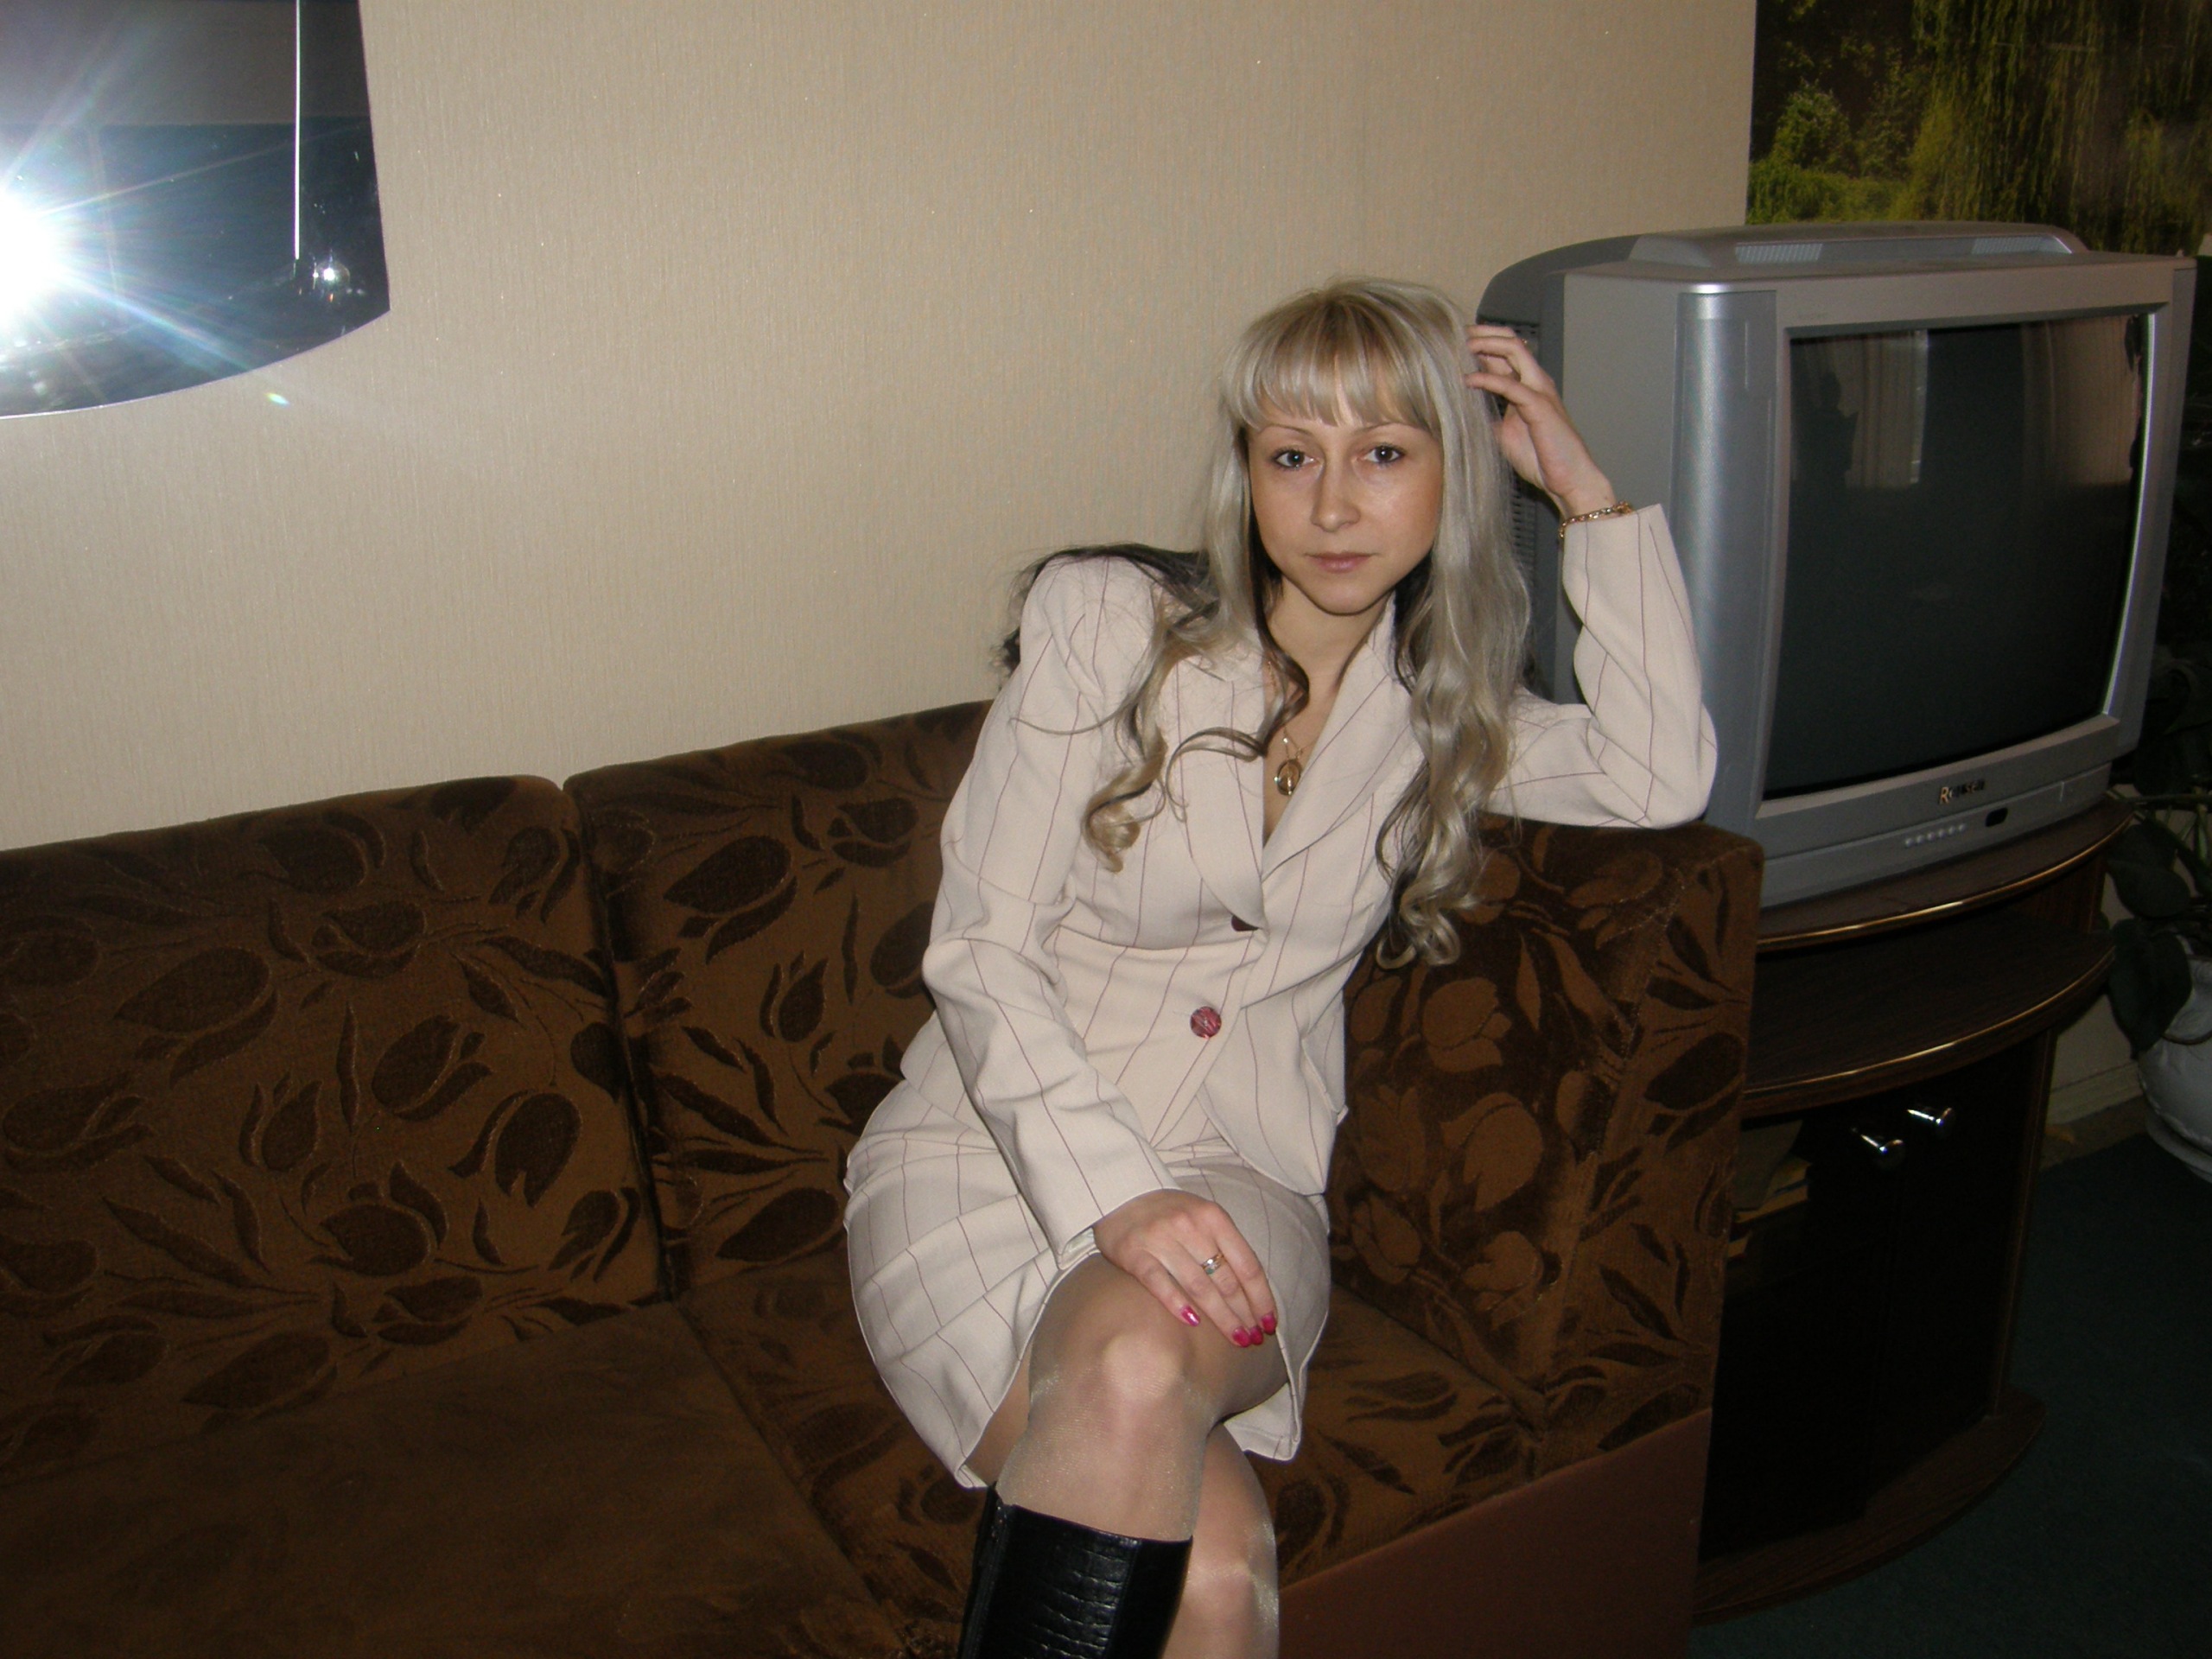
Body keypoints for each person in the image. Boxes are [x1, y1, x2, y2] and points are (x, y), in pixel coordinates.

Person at [842, 277, 1716, 1659]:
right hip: (988, 1157)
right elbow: (979, 944)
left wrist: (1583, 493)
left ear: (1454, 475)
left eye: (1387, 453)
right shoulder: (1109, 625)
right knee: (1208, 1569)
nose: (1333, 505)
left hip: (1242, 1169)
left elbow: (1659, 774)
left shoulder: (1438, 715)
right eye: (1293, 455)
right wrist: (1120, 1198)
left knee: (1143, 1353)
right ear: (1245, 475)